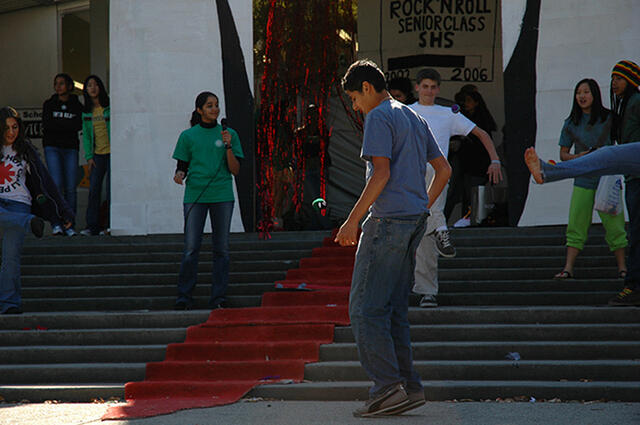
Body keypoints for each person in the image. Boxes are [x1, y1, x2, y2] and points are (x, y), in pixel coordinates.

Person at [335, 59, 450, 417]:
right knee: (394, 310)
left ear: (367, 88)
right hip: (415, 219)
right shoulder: (414, 116)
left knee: (365, 309)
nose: (355, 106)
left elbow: (380, 173)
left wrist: (351, 221)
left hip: (387, 222)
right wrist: (420, 206)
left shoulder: (378, 117)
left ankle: (387, 388)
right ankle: (409, 386)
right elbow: (444, 170)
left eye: (354, 97)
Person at [524, 59, 640, 307]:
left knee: (605, 157)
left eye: (619, 78)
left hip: (621, 172)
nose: (614, 83)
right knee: (632, 230)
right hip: (629, 176)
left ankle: (548, 172)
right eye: (613, 78)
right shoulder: (581, 120)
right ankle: (632, 283)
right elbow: (567, 151)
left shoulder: (629, 105)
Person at [409, 68, 502, 308]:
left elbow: (481, 133)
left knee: (425, 231)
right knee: (424, 230)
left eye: (433, 86)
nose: (429, 91)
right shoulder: (406, 112)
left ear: (438, 89)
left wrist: (494, 160)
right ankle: (440, 227)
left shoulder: (447, 114)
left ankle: (427, 291)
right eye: (425, 86)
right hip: (411, 175)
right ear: (417, 87)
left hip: (438, 173)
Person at [172, 91, 244, 310]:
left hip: (222, 195)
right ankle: (184, 298)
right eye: (209, 105)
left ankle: (218, 298)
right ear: (199, 110)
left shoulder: (229, 133)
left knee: (221, 248)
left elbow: (235, 170)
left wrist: (228, 145)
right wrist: (179, 175)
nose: (214, 109)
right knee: (191, 248)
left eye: (216, 105)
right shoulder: (188, 136)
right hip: (195, 195)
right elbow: (182, 166)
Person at [0, 107, 74, 314]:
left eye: (15, 127)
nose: (11, 132)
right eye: (6, 128)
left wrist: (62, 212)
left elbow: (46, 183)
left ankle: (9, 304)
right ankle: (27, 222)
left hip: (19, 203)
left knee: (10, 259)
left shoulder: (26, 150)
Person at [553, 79, 627, 280]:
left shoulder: (610, 118)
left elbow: (624, 142)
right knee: (576, 223)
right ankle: (568, 268)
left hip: (608, 179)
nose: (582, 96)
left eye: (586, 92)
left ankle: (623, 268)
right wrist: (580, 157)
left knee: (615, 225)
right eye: (578, 92)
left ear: (595, 94)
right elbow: (563, 154)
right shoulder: (571, 123)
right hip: (583, 179)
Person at [444, 88, 498, 227]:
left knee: (472, 196)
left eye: (468, 100)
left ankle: (471, 224)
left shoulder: (482, 120)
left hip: (478, 165)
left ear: (476, 102)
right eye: (463, 101)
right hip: (461, 164)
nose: (465, 104)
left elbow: (482, 141)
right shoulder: (459, 117)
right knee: (453, 194)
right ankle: (443, 223)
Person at [42, 73, 82, 236]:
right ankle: (56, 223)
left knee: (71, 188)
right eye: (56, 83)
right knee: (56, 185)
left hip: (71, 148)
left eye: (61, 83)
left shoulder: (76, 105)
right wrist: (66, 125)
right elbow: (48, 124)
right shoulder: (49, 104)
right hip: (52, 147)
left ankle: (70, 224)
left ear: (69, 86)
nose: (58, 86)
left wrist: (61, 125)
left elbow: (77, 124)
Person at [80, 75, 110, 236]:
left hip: (112, 154)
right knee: (94, 190)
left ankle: (110, 225)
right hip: (97, 156)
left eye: (96, 84)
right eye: (89, 85)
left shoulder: (109, 107)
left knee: (111, 190)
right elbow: (86, 136)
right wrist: (89, 157)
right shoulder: (86, 112)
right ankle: (92, 226)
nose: (93, 88)